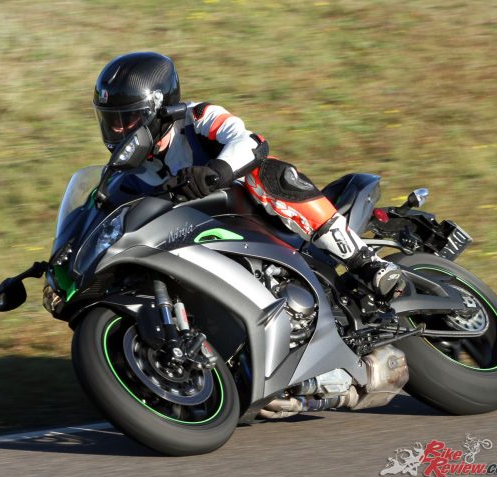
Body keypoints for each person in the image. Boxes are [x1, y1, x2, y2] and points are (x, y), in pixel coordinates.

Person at [93, 52, 403, 298]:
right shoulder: (126, 175)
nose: (118, 130)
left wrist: (214, 173)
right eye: (111, 121)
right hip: (195, 242)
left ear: (158, 111)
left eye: (128, 118)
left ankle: (364, 263)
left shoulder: (197, 117)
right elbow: (100, 216)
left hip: (252, 214)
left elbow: (251, 142)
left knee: (267, 172)